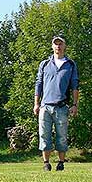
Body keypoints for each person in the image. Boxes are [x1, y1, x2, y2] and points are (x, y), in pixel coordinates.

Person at [34, 36, 79, 171]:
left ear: (65, 46)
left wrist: (75, 104)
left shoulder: (70, 64)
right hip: (45, 106)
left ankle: (61, 162)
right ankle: (46, 163)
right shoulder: (45, 64)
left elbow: (75, 85)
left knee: (62, 136)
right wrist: (36, 103)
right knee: (44, 135)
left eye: (60, 44)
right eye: (56, 44)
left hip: (62, 106)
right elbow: (39, 83)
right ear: (52, 46)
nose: (58, 46)